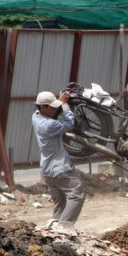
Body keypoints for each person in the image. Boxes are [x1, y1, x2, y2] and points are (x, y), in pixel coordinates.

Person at [31, 90, 85, 230]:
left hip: (47, 170)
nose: (56, 108)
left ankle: (54, 229)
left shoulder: (35, 117)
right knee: (76, 195)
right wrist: (65, 106)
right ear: (43, 107)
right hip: (60, 169)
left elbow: (54, 115)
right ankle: (63, 229)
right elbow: (70, 123)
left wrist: (59, 102)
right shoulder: (49, 125)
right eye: (53, 107)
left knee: (60, 202)